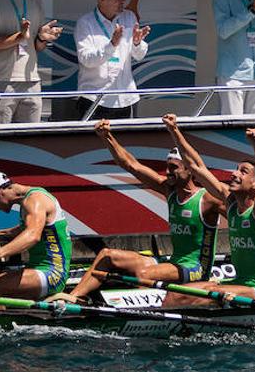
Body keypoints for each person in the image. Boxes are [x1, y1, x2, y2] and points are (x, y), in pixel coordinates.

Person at [51, 117, 225, 302]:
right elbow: (131, 165)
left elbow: (241, 216)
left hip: (196, 269)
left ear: (190, 170)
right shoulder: (169, 190)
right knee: (107, 256)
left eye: (173, 168)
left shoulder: (208, 199)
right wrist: (106, 136)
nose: (167, 172)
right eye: (167, 167)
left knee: (144, 274)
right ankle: (72, 299)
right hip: (173, 263)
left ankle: (143, 313)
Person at [164, 127, 255, 305]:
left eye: (243, 172)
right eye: (236, 169)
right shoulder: (231, 205)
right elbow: (197, 167)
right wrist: (173, 130)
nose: (234, 174)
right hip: (238, 282)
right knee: (175, 293)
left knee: (205, 296)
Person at [0, 171, 73, 300]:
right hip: (37, 269)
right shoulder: (28, 201)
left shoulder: (35, 200)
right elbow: (27, 228)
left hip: (52, 273)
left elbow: (33, 235)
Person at [73, 0, 151, 120]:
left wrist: (137, 43)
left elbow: (139, 56)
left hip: (125, 97)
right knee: (93, 142)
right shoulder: (85, 23)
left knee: (125, 142)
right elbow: (86, 60)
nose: (123, 0)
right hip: (94, 98)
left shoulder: (129, 17)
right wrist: (112, 45)